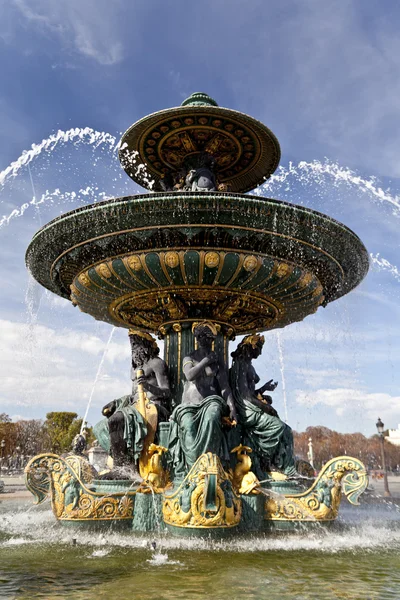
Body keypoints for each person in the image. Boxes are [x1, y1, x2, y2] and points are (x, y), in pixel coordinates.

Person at [94, 330, 170, 478]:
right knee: (99, 428)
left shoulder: (157, 364)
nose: (134, 351)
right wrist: (116, 403)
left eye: (137, 346)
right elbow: (133, 394)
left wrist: (149, 387)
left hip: (154, 407)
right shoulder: (133, 369)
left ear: (146, 347)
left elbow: (167, 391)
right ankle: (124, 460)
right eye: (133, 347)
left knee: (117, 420)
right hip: (136, 407)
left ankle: (123, 469)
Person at [168, 321, 237, 476]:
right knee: (188, 426)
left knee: (212, 417)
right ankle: (193, 471)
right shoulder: (189, 358)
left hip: (211, 401)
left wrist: (232, 408)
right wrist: (206, 361)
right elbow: (190, 375)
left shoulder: (218, 362)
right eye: (199, 336)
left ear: (212, 339)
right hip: (189, 403)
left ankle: (209, 466)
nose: (201, 340)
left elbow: (225, 387)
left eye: (205, 337)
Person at [230, 334, 297, 478]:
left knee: (287, 430)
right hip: (246, 410)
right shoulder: (240, 365)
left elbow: (249, 392)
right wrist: (265, 407)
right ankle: (264, 458)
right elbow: (245, 396)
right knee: (278, 426)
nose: (260, 352)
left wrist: (263, 389)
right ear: (251, 347)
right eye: (259, 348)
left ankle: (285, 468)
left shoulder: (247, 365)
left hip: (250, 405)